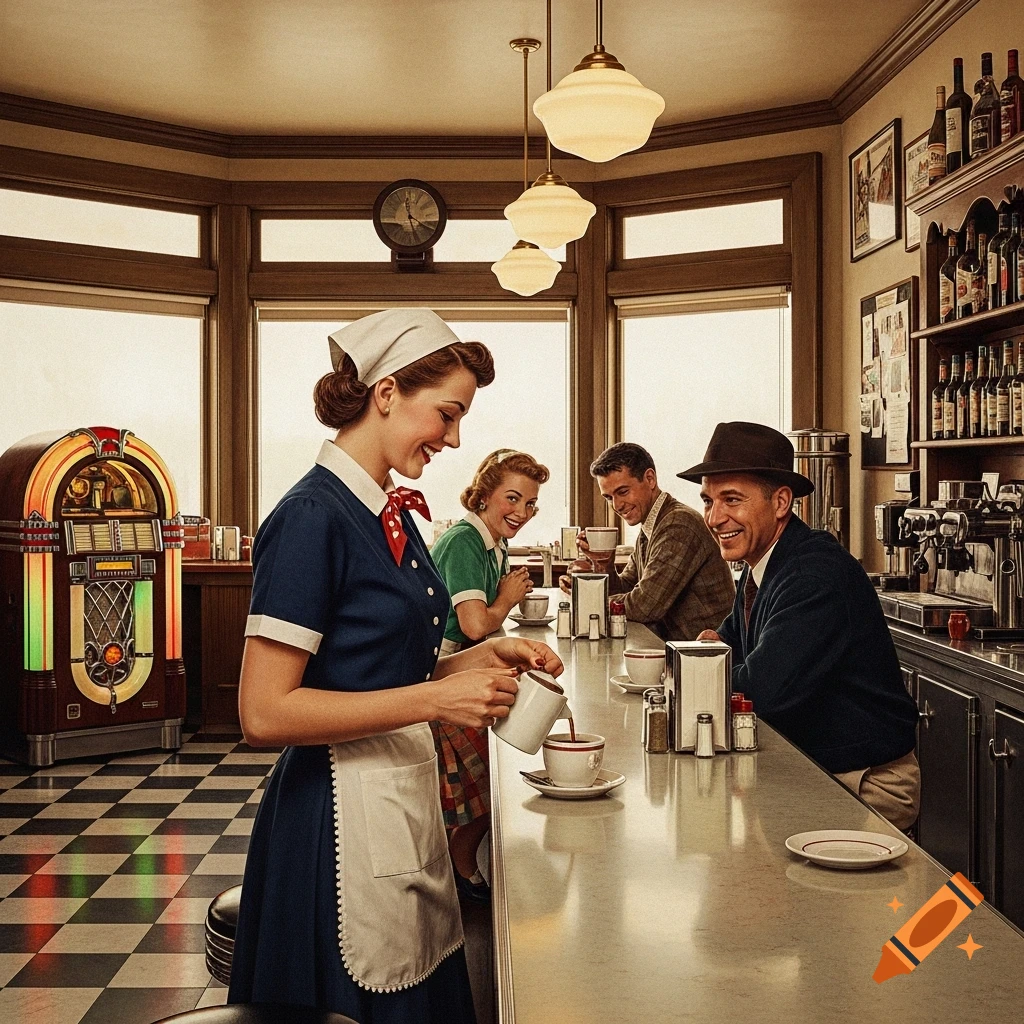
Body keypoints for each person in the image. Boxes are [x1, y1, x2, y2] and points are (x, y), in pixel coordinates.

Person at [228, 309, 563, 1022]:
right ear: (386, 393)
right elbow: (264, 713)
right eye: (446, 414)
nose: (454, 437)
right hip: (333, 827)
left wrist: (478, 656)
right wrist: (438, 703)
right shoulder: (312, 515)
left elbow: (381, 670)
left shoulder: (392, 516)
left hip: (398, 804)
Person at [681, 421, 920, 831]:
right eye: (708, 501)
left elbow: (764, 689)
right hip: (813, 763)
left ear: (780, 502)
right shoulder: (762, 564)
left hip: (867, 781)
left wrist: (704, 665)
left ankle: (949, 899)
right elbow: (726, 640)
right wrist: (715, 655)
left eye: (731, 500)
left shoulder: (814, 575)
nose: (714, 517)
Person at [430, 449, 550, 901]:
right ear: (483, 496)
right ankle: (460, 871)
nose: (522, 513)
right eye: (513, 499)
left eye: (531, 503)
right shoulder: (464, 540)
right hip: (438, 676)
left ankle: (461, 867)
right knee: (491, 772)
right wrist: (509, 596)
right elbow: (478, 624)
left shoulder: (493, 544)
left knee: (498, 766)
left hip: (460, 669)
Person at [560, 442, 734, 641]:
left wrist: (587, 598)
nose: (616, 505)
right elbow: (628, 587)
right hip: (675, 652)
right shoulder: (650, 526)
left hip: (704, 659)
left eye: (623, 492)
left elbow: (643, 606)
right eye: (608, 497)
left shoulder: (678, 525)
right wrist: (604, 563)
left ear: (650, 479)